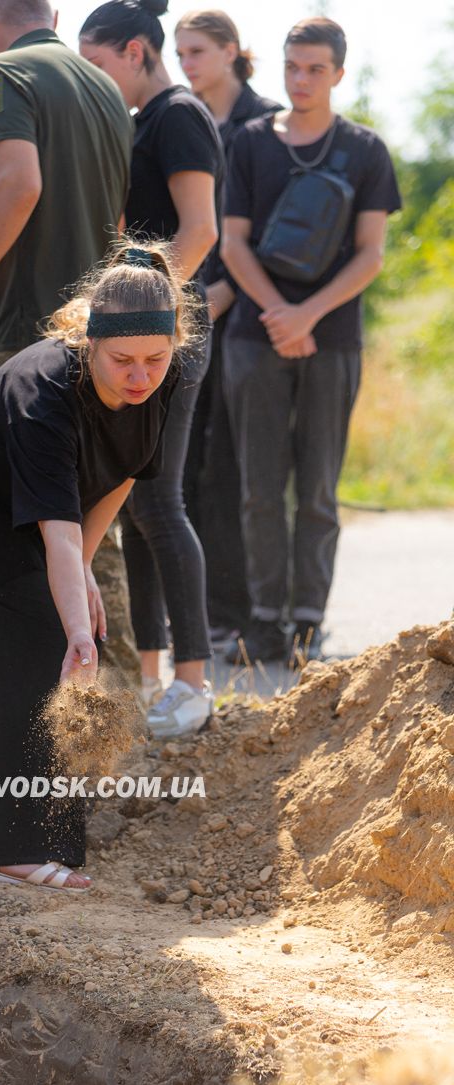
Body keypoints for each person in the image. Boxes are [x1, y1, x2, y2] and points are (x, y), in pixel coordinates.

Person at [0, 241, 197, 891]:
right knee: (33, 637)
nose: (141, 376)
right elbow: (56, 538)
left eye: (155, 359)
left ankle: (28, 831)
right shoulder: (45, 394)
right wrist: (79, 626)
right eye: (122, 362)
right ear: (89, 342)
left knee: (48, 632)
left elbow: (125, 472)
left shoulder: (158, 374)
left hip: (25, 505)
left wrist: (87, 569)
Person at [221, 17, 401, 664]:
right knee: (259, 487)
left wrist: (307, 317)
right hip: (253, 334)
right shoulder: (248, 143)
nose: (300, 80)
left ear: (338, 74)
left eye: (315, 69)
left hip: (334, 337)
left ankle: (306, 621)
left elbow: (371, 254)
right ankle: (266, 619)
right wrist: (277, 312)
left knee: (319, 484)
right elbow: (232, 241)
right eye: (292, 67)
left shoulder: (366, 149)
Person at [79, 0, 222, 738]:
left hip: (165, 337)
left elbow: (200, 231)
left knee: (160, 503)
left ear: (135, 50)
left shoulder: (178, 114)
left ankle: (194, 685)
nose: (92, 79)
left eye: (97, 64)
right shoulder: (143, 120)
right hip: (141, 339)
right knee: (134, 502)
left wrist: (140, 314)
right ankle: (152, 678)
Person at [0, 0, 132, 379]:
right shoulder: (110, 90)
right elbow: (117, 220)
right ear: (53, 19)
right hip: (97, 340)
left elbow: (18, 186)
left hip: (26, 342)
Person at [175, 9, 279, 648]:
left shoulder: (264, 123)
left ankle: (236, 617)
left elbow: (269, 229)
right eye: (179, 52)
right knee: (181, 469)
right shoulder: (179, 114)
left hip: (248, 318)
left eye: (197, 51)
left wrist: (226, 293)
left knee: (232, 473)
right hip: (187, 313)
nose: (186, 63)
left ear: (231, 52)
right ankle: (197, 615)